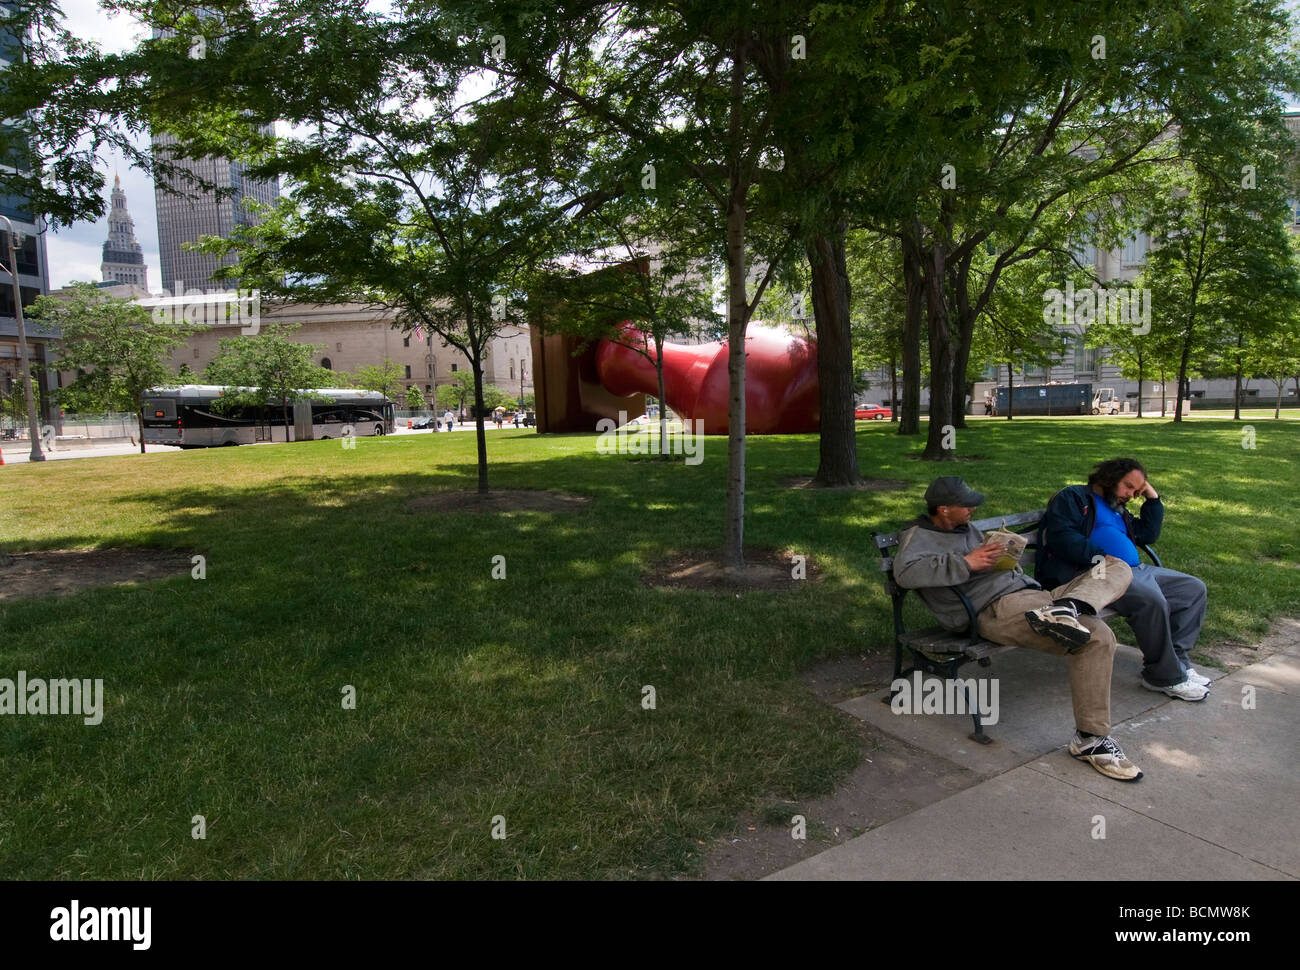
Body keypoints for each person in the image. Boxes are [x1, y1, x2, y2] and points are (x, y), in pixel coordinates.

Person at [895, 477, 1143, 782]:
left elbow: (984, 562)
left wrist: (1003, 557)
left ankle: (1067, 607)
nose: (974, 508)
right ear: (944, 509)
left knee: (1116, 566)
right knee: (1098, 636)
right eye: (967, 504)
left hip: (1035, 596)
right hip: (993, 608)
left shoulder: (967, 529)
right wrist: (966, 562)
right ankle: (1090, 739)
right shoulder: (917, 536)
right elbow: (905, 573)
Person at [1036, 458, 1209, 702]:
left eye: (1136, 490)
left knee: (1193, 589)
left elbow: (1147, 534)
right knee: (1151, 600)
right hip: (1097, 573)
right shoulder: (1074, 497)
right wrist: (1100, 557)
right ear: (1109, 478)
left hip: (1136, 569)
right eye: (1129, 487)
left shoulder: (1116, 506)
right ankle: (1162, 677)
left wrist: (1152, 497)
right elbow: (1061, 537)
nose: (1131, 495)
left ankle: (1178, 661)